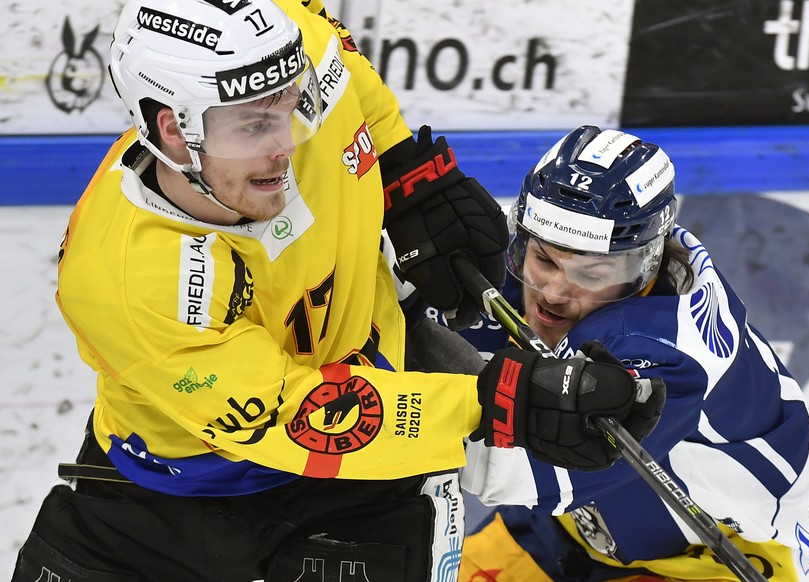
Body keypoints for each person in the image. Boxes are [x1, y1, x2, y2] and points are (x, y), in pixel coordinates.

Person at [12, 2, 666, 580]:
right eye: (252, 126)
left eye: (289, 106)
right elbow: (293, 413)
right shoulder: (127, 280)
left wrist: (406, 170)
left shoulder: (286, 55)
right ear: (174, 131)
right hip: (173, 496)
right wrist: (495, 404)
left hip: (363, 480)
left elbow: (339, 65)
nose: (286, 146)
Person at [435, 126, 809, 581]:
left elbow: (502, 467)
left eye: (593, 272)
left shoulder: (670, 355)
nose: (554, 293)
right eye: (544, 260)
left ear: (644, 266)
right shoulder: (551, 258)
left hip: (716, 561)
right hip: (577, 528)